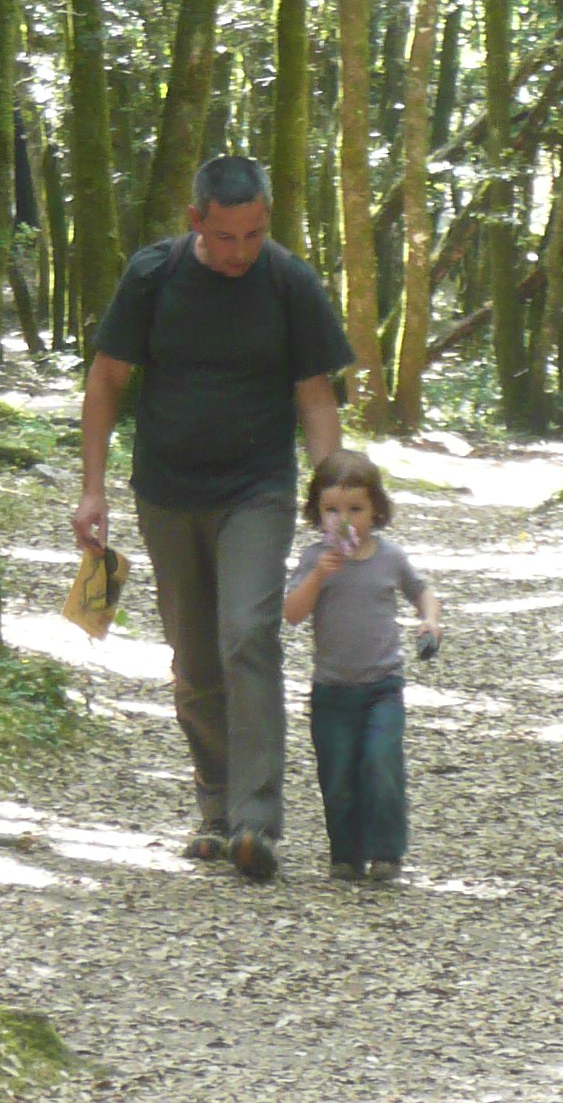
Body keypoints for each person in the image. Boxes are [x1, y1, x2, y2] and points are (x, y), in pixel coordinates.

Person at [72, 155, 354, 881]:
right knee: (194, 658)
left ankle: (257, 822)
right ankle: (216, 807)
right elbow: (106, 379)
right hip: (167, 492)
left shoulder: (289, 282)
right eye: (226, 236)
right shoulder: (153, 276)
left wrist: (335, 500)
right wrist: (92, 489)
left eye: (254, 235)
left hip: (256, 490)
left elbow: (315, 397)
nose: (240, 252)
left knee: (248, 635)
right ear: (195, 220)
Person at [283, 448, 441, 883]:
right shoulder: (314, 560)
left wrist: (430, 620)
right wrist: (319, 576)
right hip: (331, 690)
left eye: (355, 509)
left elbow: (422, 591)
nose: (345, 520)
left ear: (375, 511)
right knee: (336, 774)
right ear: (317, 512)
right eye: (332, 510)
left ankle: (387, 851)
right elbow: (292, 613)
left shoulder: (389, 557)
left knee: (381, 761)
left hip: (382, 686)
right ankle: (345, 854)